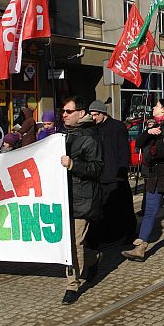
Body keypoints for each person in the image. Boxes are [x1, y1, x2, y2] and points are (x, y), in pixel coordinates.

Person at [122, 99, 164, 261]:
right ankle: (140, 248)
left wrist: (162, 153)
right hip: (154, 177)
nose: (153, 107)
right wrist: (147, 133)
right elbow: (138, 143)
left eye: (157, 106)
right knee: (149, 212)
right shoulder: (153, 127)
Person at [59, 96, 103, 305]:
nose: (64, 115)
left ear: (81, 113)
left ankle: (71, 285)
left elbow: (97, 168)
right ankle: (93, 259)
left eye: (68, 111)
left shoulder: (90, 138)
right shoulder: (63, 137)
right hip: (63, 197)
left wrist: (73, 165)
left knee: (74, 243)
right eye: (63, 111)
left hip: (82, 199)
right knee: (76, 243)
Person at [86, 99, 136, 249]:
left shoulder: (117, 127)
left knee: (124, 206)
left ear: (103, 113)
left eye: (95, 114)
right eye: (91, 115)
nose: (93, 117)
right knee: (104, 208)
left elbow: (124, 152)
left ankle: (130, 233)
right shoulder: (93, 128)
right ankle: (109, 234)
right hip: (100, 175)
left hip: (115, 174)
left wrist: (122, 172)